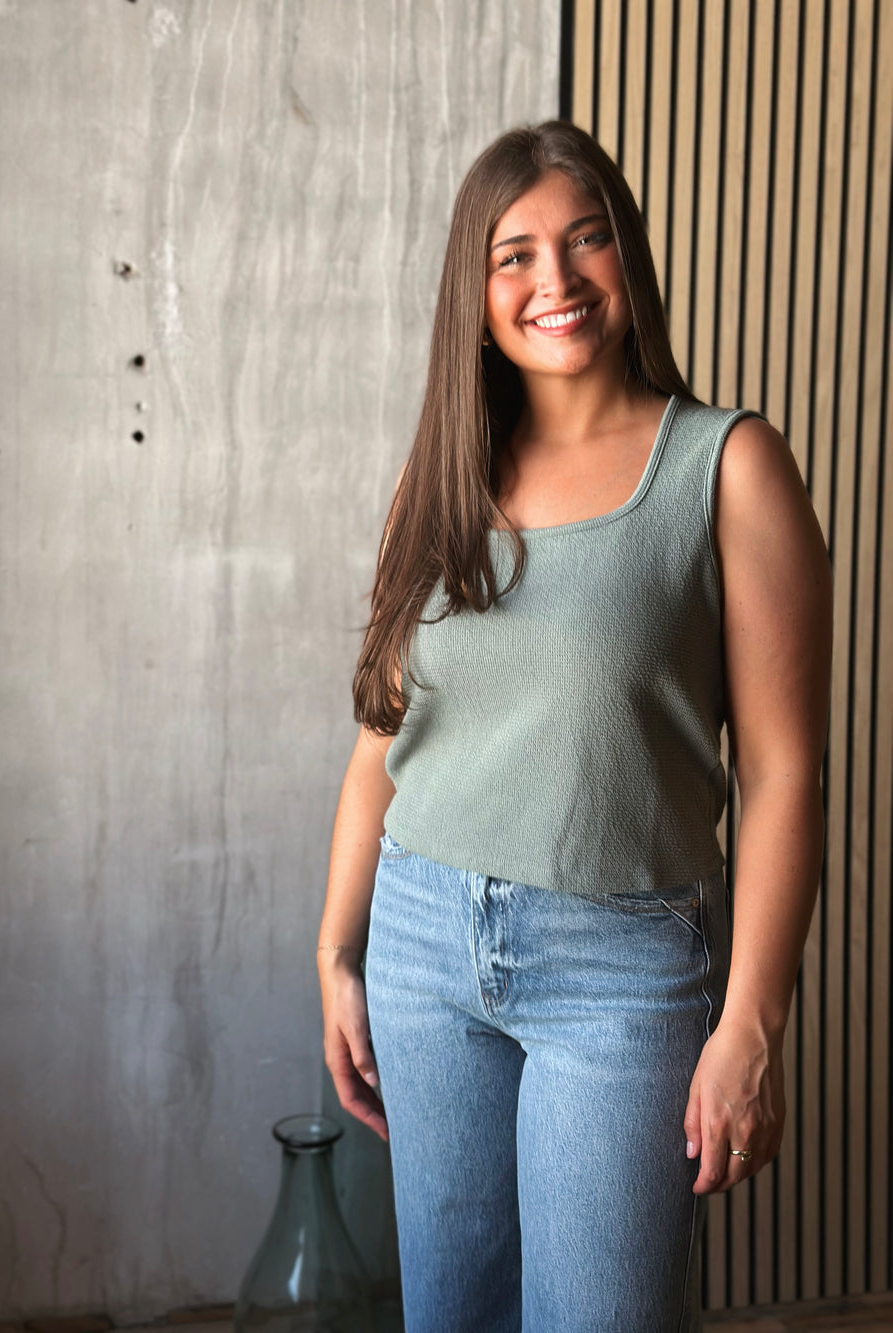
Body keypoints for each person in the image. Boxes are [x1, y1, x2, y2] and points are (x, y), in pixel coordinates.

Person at [316, 120, 831, 1333]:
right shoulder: (439, 475)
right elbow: (380, 740)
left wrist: (752, 1020)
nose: (554, 281)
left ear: (627, 257)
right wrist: (336, 952)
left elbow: (785, 773)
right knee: (452, 1313)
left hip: (622, 969)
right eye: (514, 255)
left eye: (585, 239)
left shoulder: (726, 466)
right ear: (474, 289)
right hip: (421, 943)